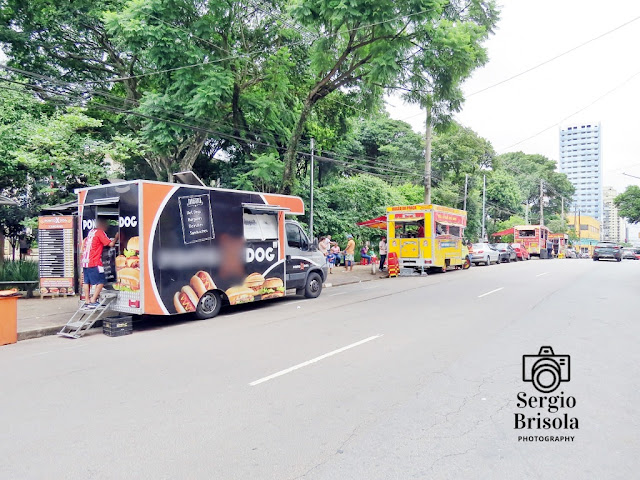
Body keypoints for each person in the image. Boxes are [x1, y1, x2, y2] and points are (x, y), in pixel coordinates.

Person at [81, 218, 118, 308]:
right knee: (101, 280)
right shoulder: (100, 232)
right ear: (102, 225)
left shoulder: (91, 232)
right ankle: (93, 301)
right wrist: (117, 237)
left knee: (86, 281)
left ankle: (87, 301)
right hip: (95, 261)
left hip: (85, 261)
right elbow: (111, 244)